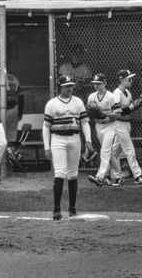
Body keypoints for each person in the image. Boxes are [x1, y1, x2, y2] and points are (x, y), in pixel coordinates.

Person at [43, 75, 94, 220]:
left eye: (71, 86)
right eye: (66, 86)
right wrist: (47, 147)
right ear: (60, 87)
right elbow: (46, 126)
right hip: (58, 139)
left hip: (74, 139)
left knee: (73, 174)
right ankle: (56, 209)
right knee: (60, 173)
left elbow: (84, 122)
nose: (69, 88)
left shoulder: (77, 102)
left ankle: (72, 209)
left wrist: (88, 140)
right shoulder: (52, 104)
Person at [110, 70, 142, 186]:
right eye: (129, 79)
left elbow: (130, 109)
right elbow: (117, 111)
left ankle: (112, 177)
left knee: (114, 153)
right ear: (122, 80)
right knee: (130, 150)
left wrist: (139, 103)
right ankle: (138, 176)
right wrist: (133, 106)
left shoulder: (127, 92)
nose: (131, 81)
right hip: (119, 124)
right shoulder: (116, 93)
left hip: (126, 124)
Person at [86, 73, 121, 187]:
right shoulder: (92, 96)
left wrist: (105, 116)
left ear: (105, 83)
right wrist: (94, 114)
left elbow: (118, 114)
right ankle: (118, 176)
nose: (96, 86)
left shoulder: (110, 96)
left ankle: (100, 177)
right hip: (98, 126)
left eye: (99, 83)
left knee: (104, 151)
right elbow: (89, 113)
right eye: (95, 84)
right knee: (108, 153)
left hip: (110, 126)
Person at [0, 72, 24, 143]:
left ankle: (4, 153)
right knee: (12, 134)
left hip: (1, 111)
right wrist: (20, 112)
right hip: (13, 109)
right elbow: (21, 97)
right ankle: (11, 152)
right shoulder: (14, 79)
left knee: (1, 134)